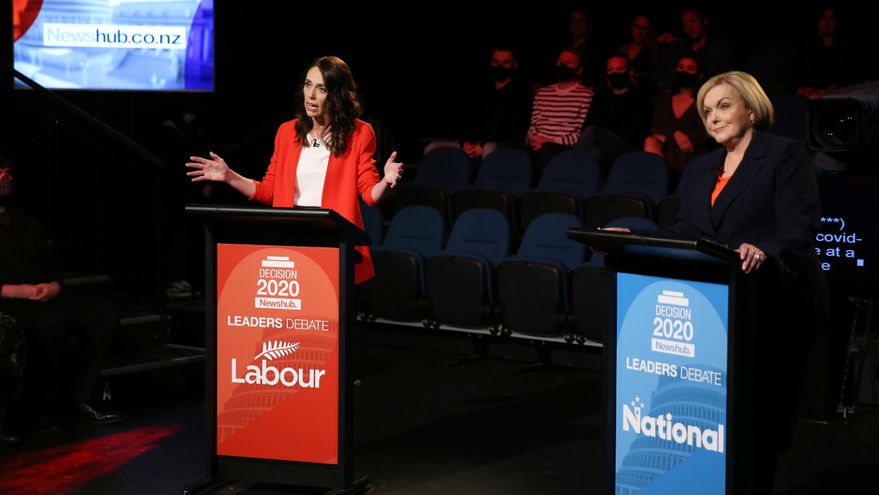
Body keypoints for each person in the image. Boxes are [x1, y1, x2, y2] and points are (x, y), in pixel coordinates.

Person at [626, 71, 823, 494]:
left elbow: (799, 224)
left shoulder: (784, 155)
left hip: (771, 302)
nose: (713, 118)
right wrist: (633, 241)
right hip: (713, 310)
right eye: (707, 111)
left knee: (759, 427)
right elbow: (685, 230)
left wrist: (764, 249)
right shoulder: (700, 168)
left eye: (724, 106)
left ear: (751, 109)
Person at [186, 56, 402, 284]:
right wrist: (229, 176)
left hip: (333, 243)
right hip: (291, 240)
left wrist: (386, 181)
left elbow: (370, 194)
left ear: (337, 94)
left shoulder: (360, 133)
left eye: (321, 89)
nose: (310, 95)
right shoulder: (287, 133)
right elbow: (269, 190)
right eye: (308, 85)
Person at [0, 156, 122, 433]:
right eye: (0, 173)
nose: (6, 178)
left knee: (102, 312)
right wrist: (17, 291)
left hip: (41, 294)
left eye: (8, 172)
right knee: (50, 322)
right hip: (9, 298)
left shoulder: (25, 220)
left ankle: (78, 396)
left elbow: (50, 264)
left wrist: (54, 285)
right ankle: (43, 409)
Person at [577, 55, 653, 174]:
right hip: (602, 147)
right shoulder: (601, 97)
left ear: (630, 72)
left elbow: (637, 132)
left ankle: (568, 168)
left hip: (628, 148)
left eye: (619, 69)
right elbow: (587, 123)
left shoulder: (641, 98)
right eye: (611, 70)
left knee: (593, 131)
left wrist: (605, 136)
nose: (614, 73)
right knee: (595, 154)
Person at [644, 54, 713, 185]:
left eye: (690, 68)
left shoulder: (706, 101)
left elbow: (703, 134)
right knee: (650, 142)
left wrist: (668, 136)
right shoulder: (664, 99)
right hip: (663, 153)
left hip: (690, 155)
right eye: (680, 67)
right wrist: (675, 134)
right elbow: (655, 129)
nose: (684, 71)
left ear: (700, 74)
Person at [526, 47, 594, 178]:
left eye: (569, 62)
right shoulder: (542, 92)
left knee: (547, 150)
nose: (563, 65)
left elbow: (579, 132)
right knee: (508, 148)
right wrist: (533, 140)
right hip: (538, 143)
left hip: (561, 147)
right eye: (561, 61)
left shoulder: (586, 95)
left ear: (579, 69)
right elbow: (534, 124)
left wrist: (551, 140)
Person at [461, 46, 533, 159]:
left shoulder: (522, 94)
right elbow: (469, 120)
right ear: (490, 62)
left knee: (489, 148)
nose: (500, 66)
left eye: (505, 62)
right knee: (433, 148)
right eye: (496, 62)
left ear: (515, 65)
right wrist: (466, 142)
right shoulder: (480, 90)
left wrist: (482, 145)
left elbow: (515, 130)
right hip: (473, 145)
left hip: (500, 146)